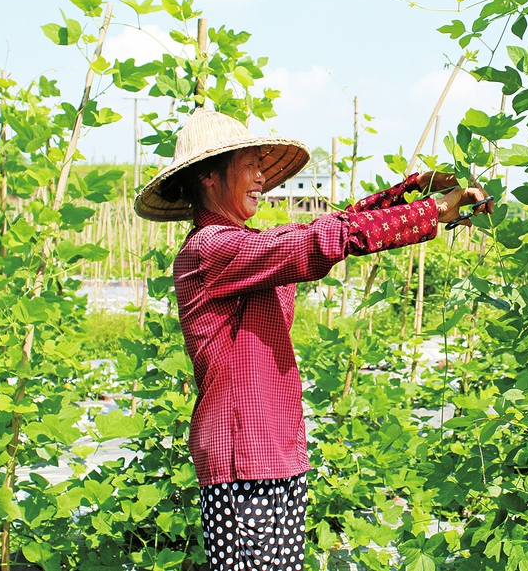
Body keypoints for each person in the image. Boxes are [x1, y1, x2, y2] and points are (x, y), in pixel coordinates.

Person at [134, 108, 491, 571]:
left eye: (262, 166)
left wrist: (417, 191)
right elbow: (319, 241)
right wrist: (431, 211)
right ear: (208, 177)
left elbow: (342, 222)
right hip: (244, 456)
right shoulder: (211, 250)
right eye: (249, 165)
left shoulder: (243, 246)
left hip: (277, 452)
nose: (261, 177)